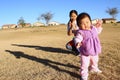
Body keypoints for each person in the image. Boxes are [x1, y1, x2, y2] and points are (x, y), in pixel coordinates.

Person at [74, 12, 103, 80]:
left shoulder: (94, 28)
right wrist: (77, 42)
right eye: (82, 23)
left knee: (95, 61)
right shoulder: (81, 32)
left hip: (94, 50)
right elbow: (77, 38)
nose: (85, 24)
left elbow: (98, 31)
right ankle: (84, 75)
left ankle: (94, 68)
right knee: (84, 64)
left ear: (90, 21)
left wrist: (99, 25)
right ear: (79, 25)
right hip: (85, 52)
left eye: (87, 22)